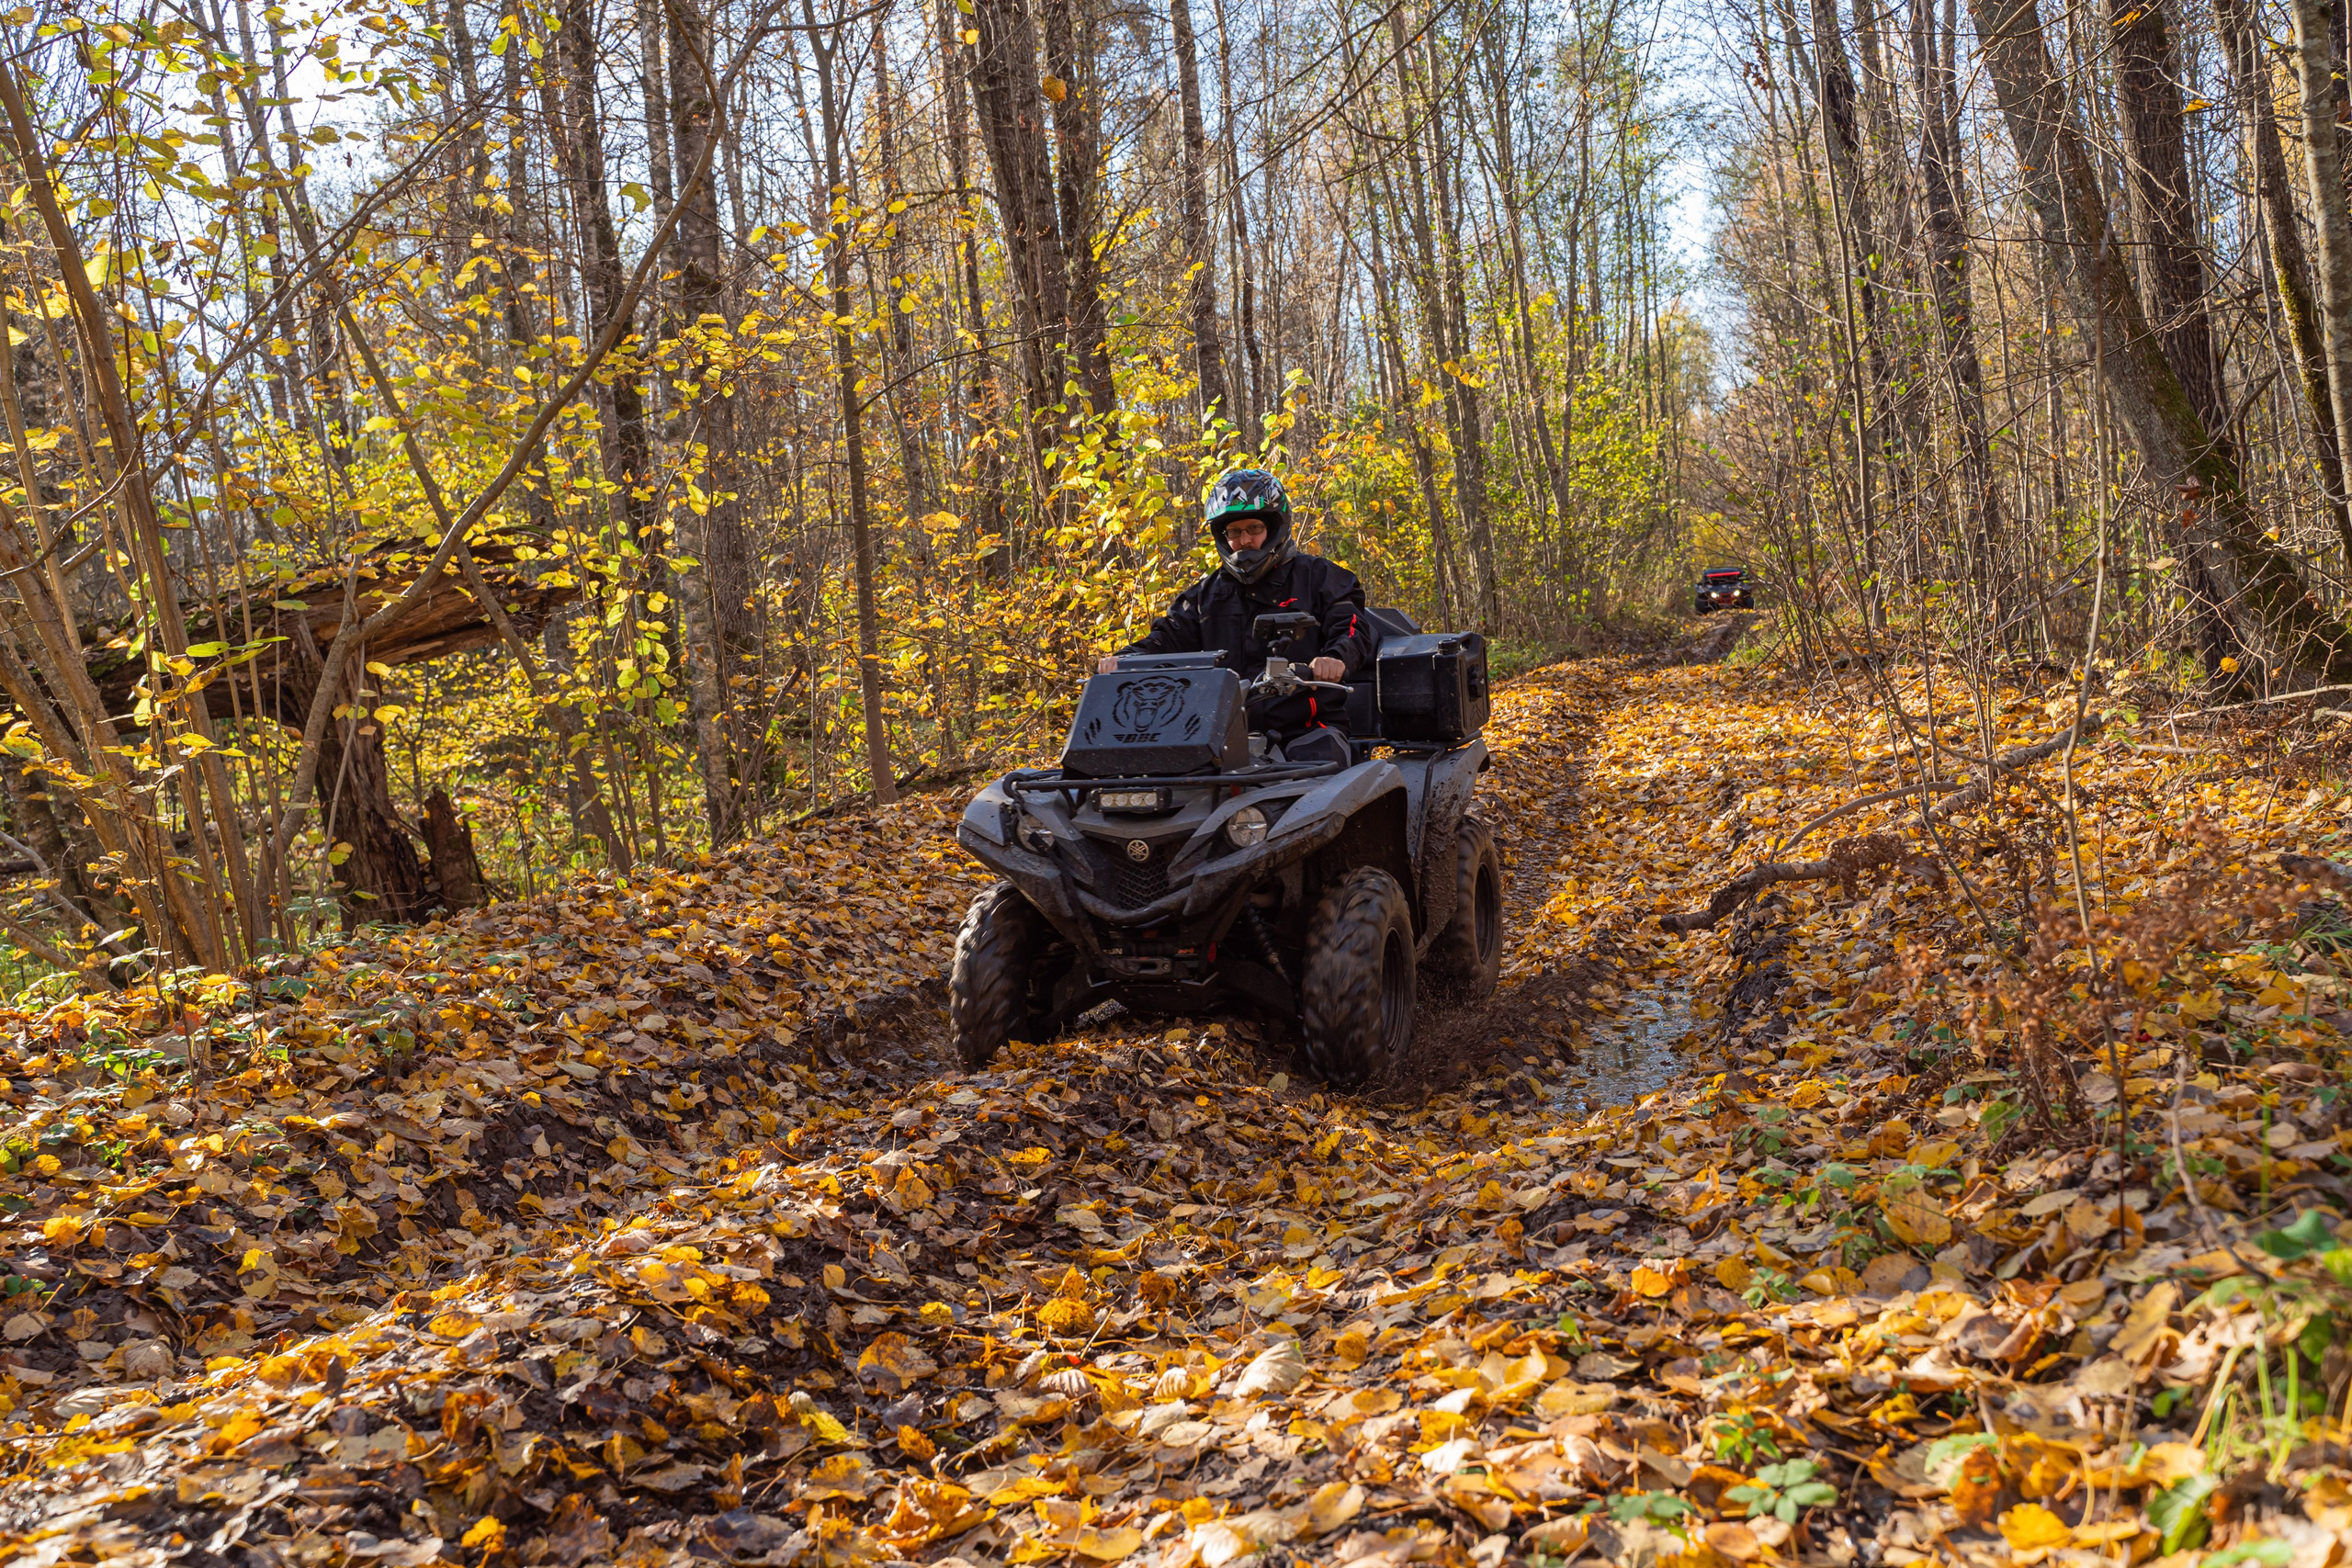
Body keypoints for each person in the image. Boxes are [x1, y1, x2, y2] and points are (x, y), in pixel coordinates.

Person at [1100, 469, 1374, 739]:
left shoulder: (1319, 577)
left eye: (1254, 529)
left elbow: (1351, 628)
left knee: (1324, 772)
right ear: (1222, 536)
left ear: (1274, 527)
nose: (1244, 541)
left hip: (1309, 729)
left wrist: (1335, 658)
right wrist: (1125, 661)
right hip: (1218, 736)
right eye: (1234, 531)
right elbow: (1164, 640)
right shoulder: (1203, 597)